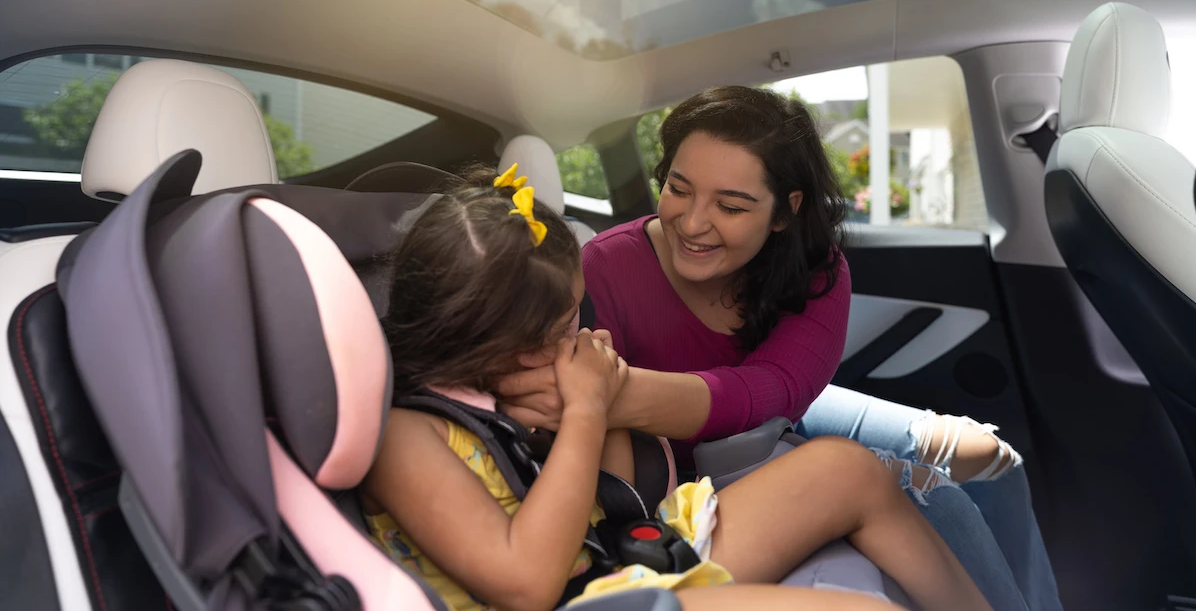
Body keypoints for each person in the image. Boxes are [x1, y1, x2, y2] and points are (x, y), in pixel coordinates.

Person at [495, 86, 1062, 611]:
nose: (691, 223)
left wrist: (608, 396)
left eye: (732, 206)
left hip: (779, 415)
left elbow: (774, 392)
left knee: (992, 460)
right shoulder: (606, 267)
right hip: (690, 457)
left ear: (786, 211)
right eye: (678, 188)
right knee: (943, 501)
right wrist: (601, 404)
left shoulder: (816, 271)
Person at [361, 164, 991, 611]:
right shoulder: (408, 438)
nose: (577, 340)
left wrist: (603, 413)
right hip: (575, 598)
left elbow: (619, 501)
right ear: (494, 342)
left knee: (846, 470)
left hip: (608, 555)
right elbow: (527, 584)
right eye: (562, 331)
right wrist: (585, 409)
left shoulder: (506, 395)